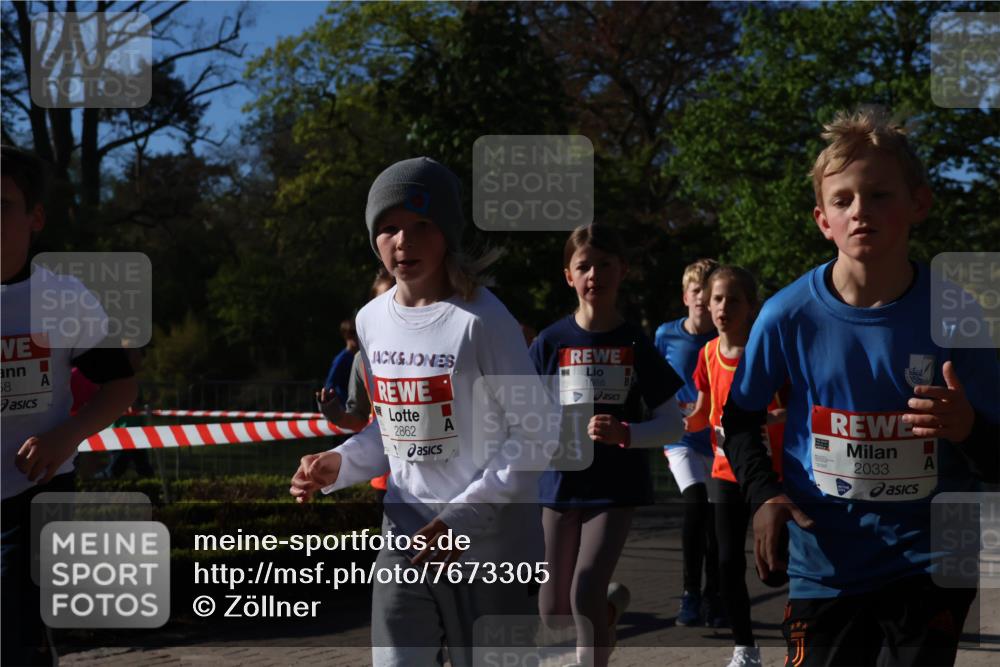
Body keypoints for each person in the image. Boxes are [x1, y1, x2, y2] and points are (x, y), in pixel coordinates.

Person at [721, 107, 999, 667]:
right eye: (843, 199)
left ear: (919, 203)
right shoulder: (786, 315)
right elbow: (740, 419)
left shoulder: (959, 315)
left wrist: (968, 428)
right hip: (826, 563)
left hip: (932, 559)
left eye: (878, 195)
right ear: (823, 220)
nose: (860, 211)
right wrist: (765, 495)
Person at [290, 157, 545, 667]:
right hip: (404, 530)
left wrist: (463, 518)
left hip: (489, 543)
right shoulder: (371, 321)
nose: (403, 241)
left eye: (421, 225)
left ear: (447, 231)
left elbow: (536, 434)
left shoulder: (484, 319)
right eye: (388, 228)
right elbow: (395, 425)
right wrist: (340, 463)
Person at [1, 145, 138, 665]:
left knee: (18, 641)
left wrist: (67, 436)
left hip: (36, 491)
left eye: (2, 204)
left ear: (35, 217)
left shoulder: (63, 298)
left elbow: (120, 387)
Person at [530, 223, 685, 667]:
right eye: (584, 266)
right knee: (553, 610)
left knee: (585, 588)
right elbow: (520, 413)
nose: (594, 274)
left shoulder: (636, 343)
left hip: (615, 487)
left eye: (604, 265)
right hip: (559, 484)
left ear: (623, 271)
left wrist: (627, 434)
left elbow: (673, 425)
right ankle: (609, 614)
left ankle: (595, 641)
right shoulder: (550, 342)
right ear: (568, 276)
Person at [685, 266, 786, 667]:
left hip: (768, 474)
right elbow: (702, 411)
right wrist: (665, 425)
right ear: (707, 305)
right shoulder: (707, 354)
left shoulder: (768, 355)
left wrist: (755, 419)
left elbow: (789, 409)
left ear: (751, 307)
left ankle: (798, 631)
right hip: (725, 473)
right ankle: (745, 649)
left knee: (774, 571)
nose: (724, 306)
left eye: (734, 299)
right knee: (726, 562)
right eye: (717, 299)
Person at [654, 257, 725, 627]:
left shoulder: (724, 339)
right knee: (695, 503)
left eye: (708, 292)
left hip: (715, 439)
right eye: (695, 290)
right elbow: (650, 382)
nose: (701, 298)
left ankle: (715, 596)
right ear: (686, 296)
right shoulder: (665, 335)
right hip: (680, 439)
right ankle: (689, 594)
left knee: (717, 520)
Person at [317, 269, 396, 502]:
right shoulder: (363, 360)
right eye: (382, 301)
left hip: (442, 483)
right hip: (387, 481)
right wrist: (336, 414)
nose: (392, 307)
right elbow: (360, 417)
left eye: (398, 296)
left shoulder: (438, 351)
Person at [323, 318, 359, 403]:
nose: (356, 336)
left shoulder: (361, 357)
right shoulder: (341, 359)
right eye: (352, 333)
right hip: (345, 406)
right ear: (345, 335)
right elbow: (329, 385)